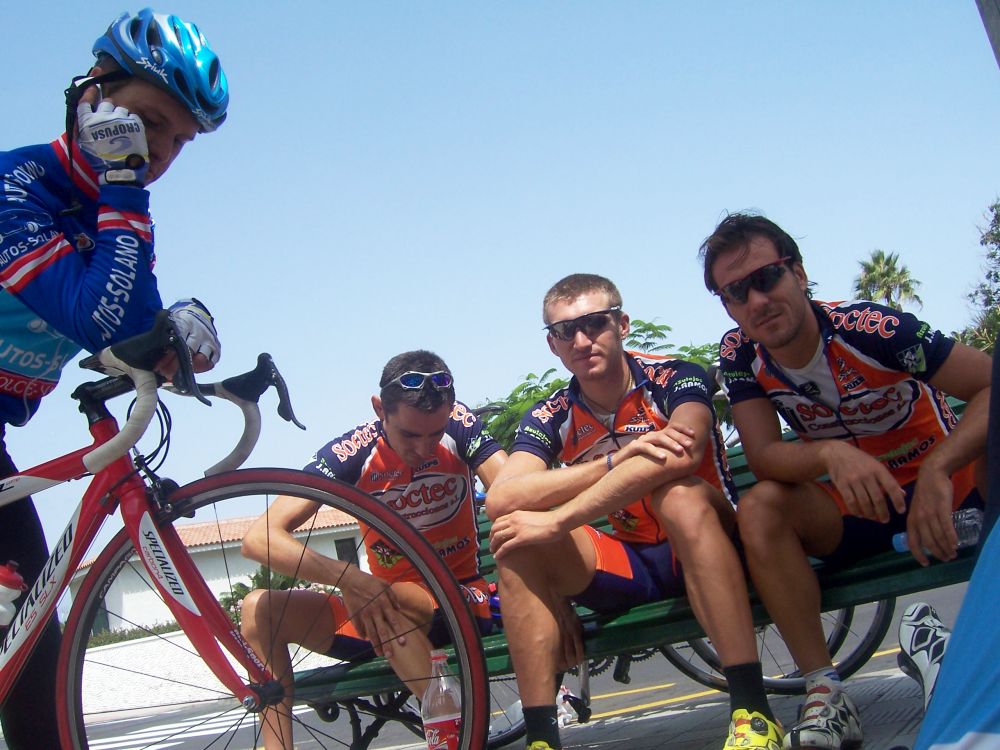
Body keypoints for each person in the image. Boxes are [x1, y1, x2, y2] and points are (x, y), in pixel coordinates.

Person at [0, 9, 227, 748]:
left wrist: (179, 331)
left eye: (178, 141)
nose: (159, 151)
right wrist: (124, 179)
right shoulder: (15, 185)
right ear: (93, 94)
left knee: (33, 657)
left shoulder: (117, 211)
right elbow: (99, 319)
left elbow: (125, 337)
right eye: (151, 123)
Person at [699, 212, 990, 750]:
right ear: (727, 306)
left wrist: (939, 467)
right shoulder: (739, 354)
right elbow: (763, 457)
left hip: (948, 491)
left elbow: (990, 385)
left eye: (767, 277)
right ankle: (825, 691)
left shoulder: (872, 328)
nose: (757, 301)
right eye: (736, 292)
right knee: (761, 508)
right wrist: (830, 454)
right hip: (857, 508)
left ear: (798, 273)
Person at [487, 273, 784, 750]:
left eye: (595, 323)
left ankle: (753, 713)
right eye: (565, 331)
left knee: (679, 496)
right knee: (514, 539)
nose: (581, 340)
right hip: (635, 561)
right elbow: (502, 497)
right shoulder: (551, 413)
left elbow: (683, 452)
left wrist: (559, 519)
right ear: (552, 345)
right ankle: (541, 739)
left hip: (710, 543)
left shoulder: (675, 375)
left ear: (621, 324)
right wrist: (612, 461)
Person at [240, 350, 507, 750]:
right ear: (380, 409)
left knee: (383, 602)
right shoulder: (354, 450)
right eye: (410, 436)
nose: (425, 448)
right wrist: (348, 578)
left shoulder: (459, 423)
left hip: (460, 597)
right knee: (258, 610)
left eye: (435, 434)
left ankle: (456, 736)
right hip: (379, 605)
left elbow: (513, 489)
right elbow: (258, 539)